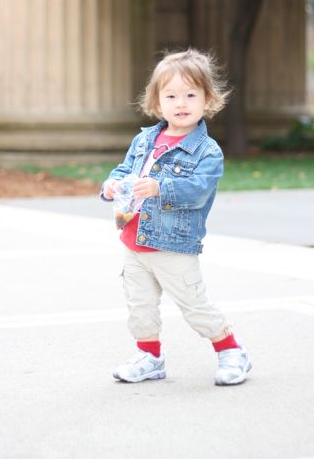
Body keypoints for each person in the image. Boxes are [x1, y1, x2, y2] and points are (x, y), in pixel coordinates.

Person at [101, 48, 252, 386]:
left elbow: (198, 190)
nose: (180, 103)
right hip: (134, 239)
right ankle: (149, 355)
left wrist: (160, 187)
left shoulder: (207, 151)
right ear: (157, 102)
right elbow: (127, 169)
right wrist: (112, 184)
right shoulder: (145, 139)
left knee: (194, 305)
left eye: (190, 95)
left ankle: (231, 351)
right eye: (171, 95)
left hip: (173, 244)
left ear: (207, 100)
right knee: (139, 306)